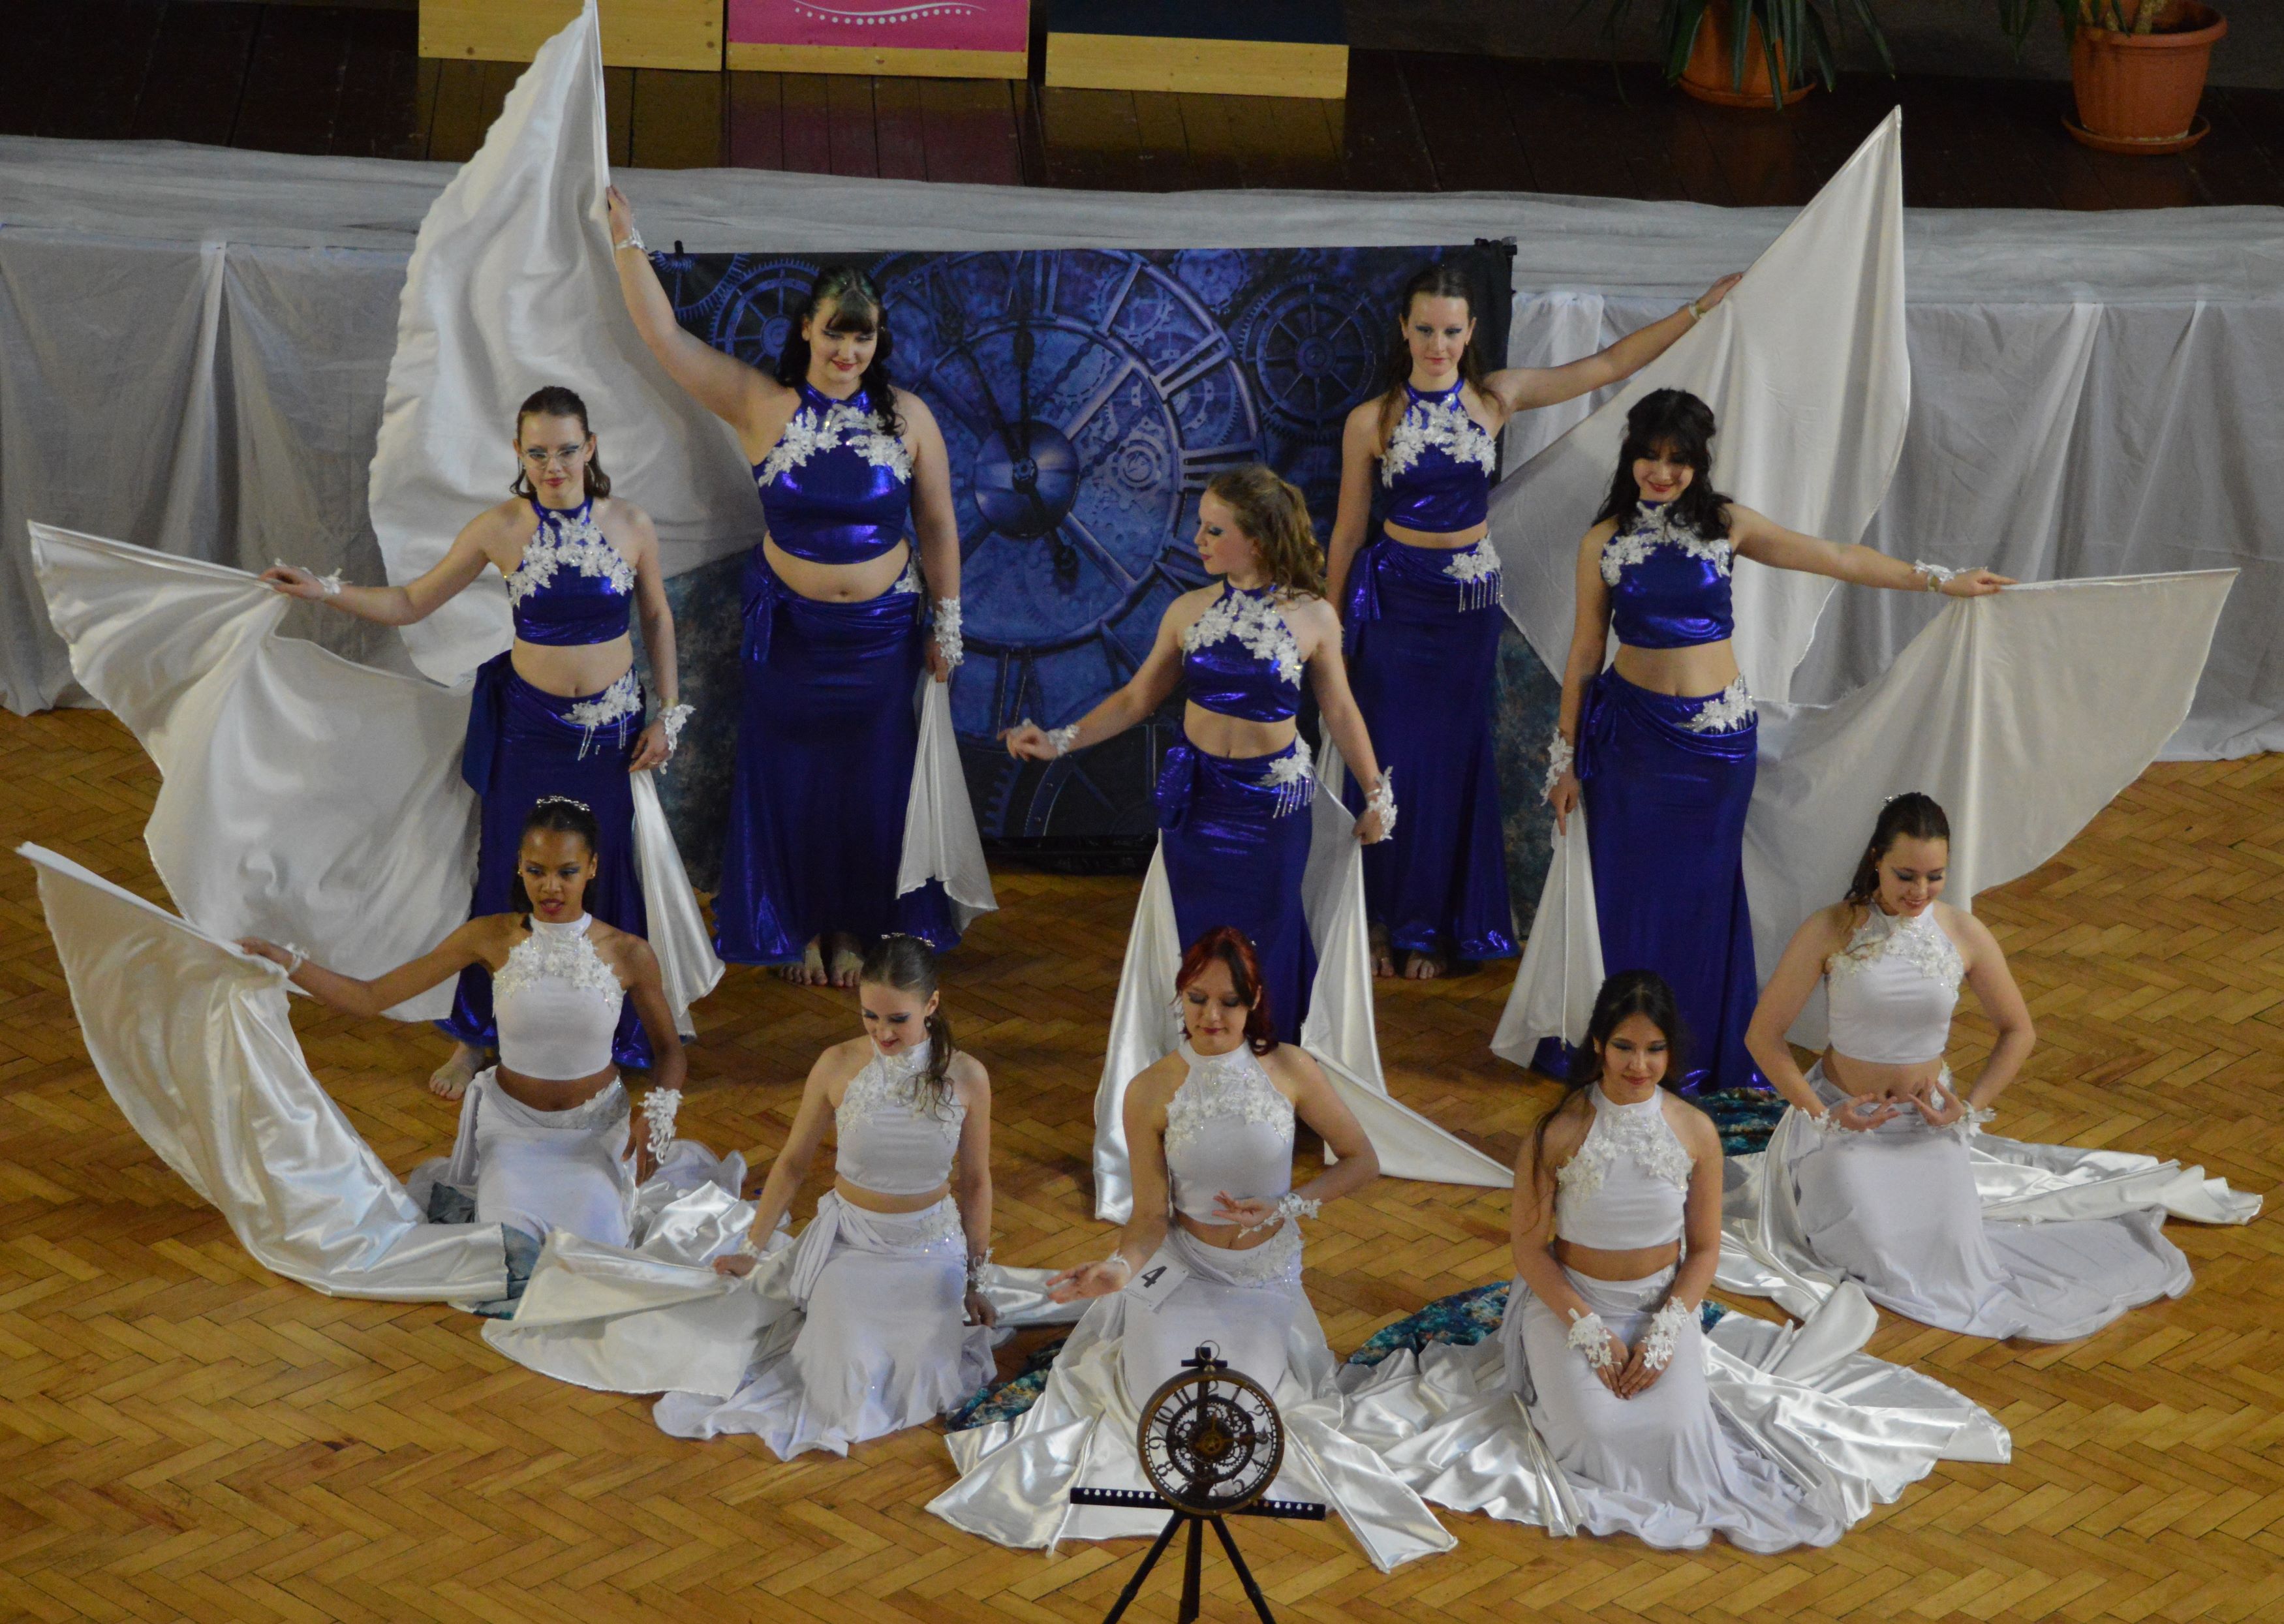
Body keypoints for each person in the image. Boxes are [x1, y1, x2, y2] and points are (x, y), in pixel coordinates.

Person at [1340, 972, 1999, 1548]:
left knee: (1683, 1440)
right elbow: (1526, 1248)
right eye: (1624, 1046)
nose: (1638, 1064)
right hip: (1568, 1305)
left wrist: (1662, 1332)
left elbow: (1705, 1247)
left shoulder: (1694, 1130)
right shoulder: (1557, 1131)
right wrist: (1587, 1330)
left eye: (1653, 1049)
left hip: (1661, 1307)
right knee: (1597, 1439)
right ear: (1598, 1043)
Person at [927, 927, 1455, 1572]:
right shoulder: (1150, 1088)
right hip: (1178, 1269)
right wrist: (1118, 1268)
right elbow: (1149, 1214)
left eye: (1228, 1001)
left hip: (1258, 1277)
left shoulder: (1289, 1068)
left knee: (1234, 1425)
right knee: (1165, 1418)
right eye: (1197, 997)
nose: (1211, 1015)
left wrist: (1286, 1205)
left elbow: (1360, 1159)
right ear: (1179, 996)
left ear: (1253, 998)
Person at [1539, 390, 2009, 1092]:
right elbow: (1582, 652)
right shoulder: (1600, 540)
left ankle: (1693, 1048)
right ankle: (1626, 1049)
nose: (1660, 473)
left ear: (1698, 463)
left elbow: (1833, 556)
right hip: (1629, 742)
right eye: (1649, 456)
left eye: (1677, 460)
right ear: (1630, 456)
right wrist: (1565, 757)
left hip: (1715, 748)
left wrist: (1938, 580)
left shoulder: (1726, 524)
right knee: (1627, 893)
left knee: (1703, 895)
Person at [262, 386, 687, 1096]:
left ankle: (608, 1026)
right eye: (539, 452)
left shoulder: (631, 523)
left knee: (600, 869)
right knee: (508, 875)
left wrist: (668, 714)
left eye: (567, 449)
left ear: (591, 448)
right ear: (520, 455)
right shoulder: (499, 527)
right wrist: (323, 589)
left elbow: (656, 616)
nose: (554, 465)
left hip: (609, 736)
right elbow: (410, 602)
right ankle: (477, 1035)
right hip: (529, 733)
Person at [1326, 262, 1740, 981]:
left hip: (1465, 615)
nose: (1436, 343)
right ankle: (1379, 921)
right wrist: (1330, 631)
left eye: (1450, 331)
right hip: (1393, 607)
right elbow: (1345, 531)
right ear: (1403, 328)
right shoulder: (1372, 420)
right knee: (1387, 762)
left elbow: (1608, 363)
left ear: (1469, 332)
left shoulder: (1497, 397)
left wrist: (1698, 309)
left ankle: (1430, 925)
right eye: (1423, 329)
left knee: (1450, 763)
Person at [608, 191, 964, 988]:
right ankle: (795, 926)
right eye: (835, 331)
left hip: (882, 638)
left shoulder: (907, 417)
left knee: (872, 784)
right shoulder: (759, 403)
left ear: (878, 340)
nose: (848, 350)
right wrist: (625, 238)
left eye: (862, 335)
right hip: (791, 637)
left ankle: (860, 929)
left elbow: (937, 525)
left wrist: (948, 622)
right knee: (791, 776)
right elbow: (663, 336)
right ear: (806, 327)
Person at [1743, 794, 2212, 1339]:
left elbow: (2019, 1030)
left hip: (1924, 1128)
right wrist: (1823, 1114)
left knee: (1957, 1253)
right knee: (1874, 1246)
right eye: (1905, 875)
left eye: (1935, 876)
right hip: (1845, 1129)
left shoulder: (1963, 933)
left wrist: (1967, 1110)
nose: (1920, 891)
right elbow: (1763, 1035)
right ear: (1876, 859)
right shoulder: (1830, 928)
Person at [1003, 465, 1392, 1044]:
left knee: (1268, 939)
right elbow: (1137, 698)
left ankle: (1270, 1072)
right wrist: (1060, 740)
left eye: (1214, 531)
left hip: (1272, 811)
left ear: (1255, 540)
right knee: (1200, 943)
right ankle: (1198, 1073)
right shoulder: (1187, 612)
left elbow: (1340, 709)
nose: (1198, 541)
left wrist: (1378, 793)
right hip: (1200, 806)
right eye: (1201, 528)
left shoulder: (1313, 615)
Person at [238, 797, 693, 1275]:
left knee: (596, 1261)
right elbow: (370, 997)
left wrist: (657, 1113)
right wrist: (287, 962)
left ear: (593, 868)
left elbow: (669, 1053)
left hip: (597, 1133)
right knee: (508, 1257)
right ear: (519, 865)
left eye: (567, 871)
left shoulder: (630, 953)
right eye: (536, 870)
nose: (550, 886)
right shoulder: (489, 936)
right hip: (514, 1132)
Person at [654, 936, 997, 1458]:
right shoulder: (837, 1064)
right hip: (851, 1245)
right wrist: (754, 1247)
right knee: (841, 1377)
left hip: (928, 1248)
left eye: (898, 1019)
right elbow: (792, 1164)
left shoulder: (969, 1076)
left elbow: (975, 1182)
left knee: (925, 1373)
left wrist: (977, 1279)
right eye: (870, 1016)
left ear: (931, 1005)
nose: (882, 1032)